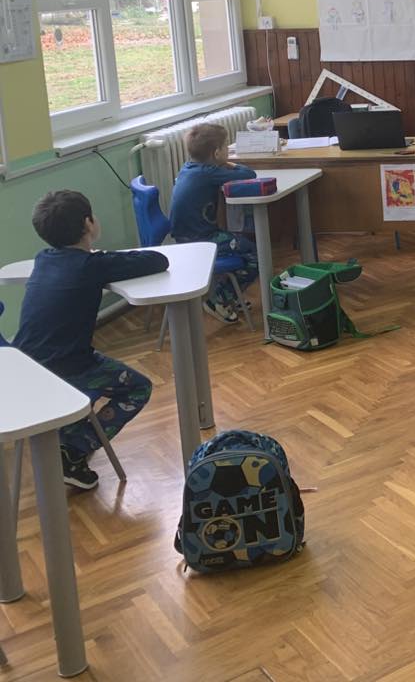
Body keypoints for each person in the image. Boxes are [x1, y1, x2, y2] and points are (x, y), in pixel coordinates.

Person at [13, 190, 168, 490]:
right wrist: (103, 257)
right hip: (67, 367)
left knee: (91, 372)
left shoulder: (43, 259)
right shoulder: (92, 265)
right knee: (139, 388)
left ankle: (67, 439)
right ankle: (73, 451)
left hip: (27, 367)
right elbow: (157, 260)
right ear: (88, 223)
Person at [169, 123, 259, 324]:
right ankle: (218, 299)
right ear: (217, 153)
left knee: (241, 243)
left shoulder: (188, 168)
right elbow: (249, 174)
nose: (228, 149)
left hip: (185, 237)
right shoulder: (208, 173)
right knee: (255, 252)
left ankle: (230, 296)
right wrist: (230, 164)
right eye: (226, 146)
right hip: (200, 241)